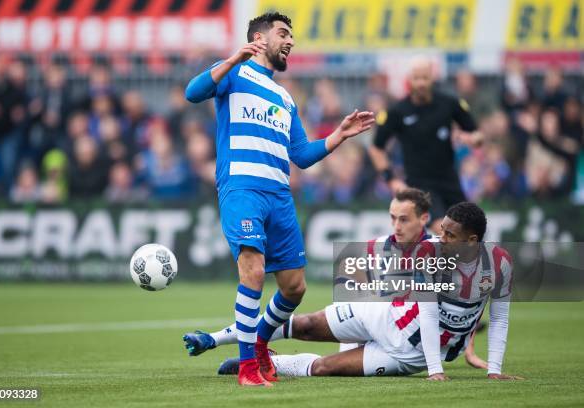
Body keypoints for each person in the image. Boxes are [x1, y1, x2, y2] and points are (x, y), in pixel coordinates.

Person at [184, 12, 374, 386]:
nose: (290, 41)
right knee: (252, 271)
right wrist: (234, 59)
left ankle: (257, 345)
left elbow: (301, 154)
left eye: (291, 36)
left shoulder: (285, 98)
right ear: (259, 38)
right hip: (242, 189)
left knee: (294, 287)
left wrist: (338, 135)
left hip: (279, 195)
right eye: (283, 33)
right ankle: (249, 367)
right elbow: (193, 93)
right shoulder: (234, 73)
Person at [214, 203, 522, 381]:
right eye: (441, 229)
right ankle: (231, 345)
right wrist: (436, 371)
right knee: (305, 325)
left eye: (450, 235)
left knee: (322, 368)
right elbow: (427, 312)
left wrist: (493, 371)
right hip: (389, 315)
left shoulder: (499, 264)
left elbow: (500, 319)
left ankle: (270, 363)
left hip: (408, 352)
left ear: (472, 240)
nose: (440, 238)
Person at [369, 57, 483, 233]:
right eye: (416, 78)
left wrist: (473, 140)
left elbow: (476, 133)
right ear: (409, 79)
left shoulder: (449, 104)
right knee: (443, 229)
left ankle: (451, 260)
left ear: (432, 78)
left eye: (425, 78)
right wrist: (391, 179)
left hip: (449, 180)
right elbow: (377, 148)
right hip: (419, 184)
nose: (421, 83)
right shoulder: (397, 111)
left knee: (468, 231)